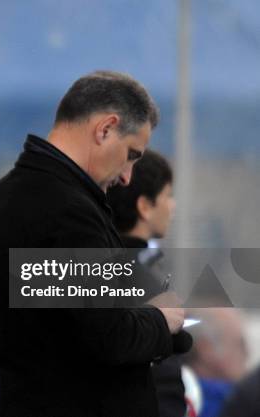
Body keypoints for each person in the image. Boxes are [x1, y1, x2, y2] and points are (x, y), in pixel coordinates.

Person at [0, 71, 185, 417]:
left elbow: (64, 317)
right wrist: (162, 320)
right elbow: (108, 334)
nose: (127, 177)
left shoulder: (3, 198)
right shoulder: (68, 214)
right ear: (105, 129)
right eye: (132, 154)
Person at [108, 150, 190, 417]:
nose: (173, 205)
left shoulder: (98, 272)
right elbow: (161, 380)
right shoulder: (141, 280)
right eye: (168, 195)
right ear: (144, 206)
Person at [183, 308, 248, 417]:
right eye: (240, 343)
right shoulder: (235, 403)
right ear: (205, 349)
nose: (246, 352)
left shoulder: (170, 395)